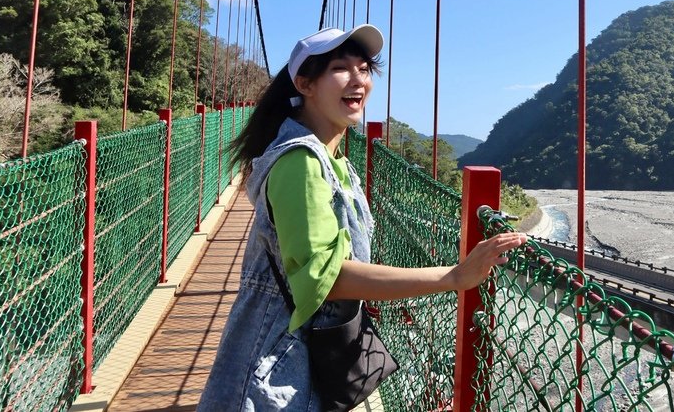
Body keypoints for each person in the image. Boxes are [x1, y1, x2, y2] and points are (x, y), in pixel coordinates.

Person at [198, 24, 526, 411]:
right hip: (274, 371)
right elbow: (328, 277)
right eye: (341, 68)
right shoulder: (300, 162)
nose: (358, 80)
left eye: (365, 69)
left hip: (299, 360)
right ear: (305, 84)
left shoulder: (335, 161)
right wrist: (454, 277)